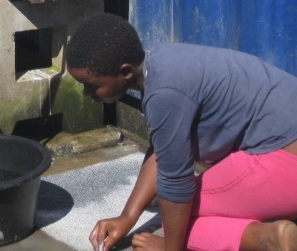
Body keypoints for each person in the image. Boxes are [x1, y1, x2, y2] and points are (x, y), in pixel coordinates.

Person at [65, 13, 297, 251]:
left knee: (176, 220)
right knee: (174, 210)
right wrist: (127, 218)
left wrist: (169, 247)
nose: (86, 94)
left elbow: (175, 183)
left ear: (125, 72)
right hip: (284, 146)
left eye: (91, 86)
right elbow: (164, 151)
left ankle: (269, 238)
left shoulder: (163, 93)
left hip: (285, 163)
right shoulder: (161, 61)